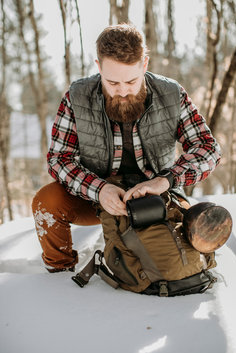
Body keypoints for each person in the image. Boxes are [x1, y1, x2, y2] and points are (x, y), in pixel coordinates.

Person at [32, 24, 221, 273]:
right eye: (112, 82)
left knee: (193, 239)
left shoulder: (172, 94)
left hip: (157, 197)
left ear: (144, 64)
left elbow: (208, 148)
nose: (122, 91)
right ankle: (59, 275)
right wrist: (99, 189)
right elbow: (58, 159)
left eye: (131, 81)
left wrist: (166, 180)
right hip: (95, 197)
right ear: (98, 67)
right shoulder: (76, 96)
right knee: (46, 202)